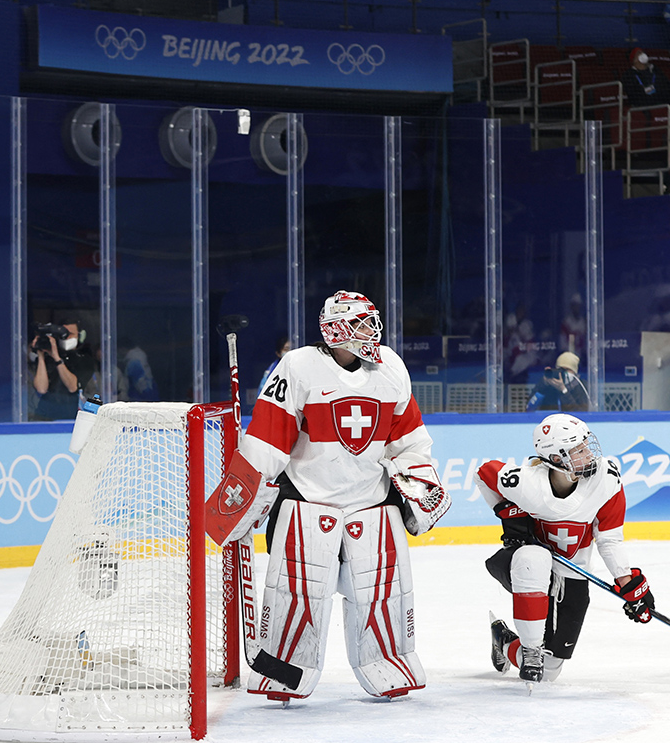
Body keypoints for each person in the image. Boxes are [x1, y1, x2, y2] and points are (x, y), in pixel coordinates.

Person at [204, 290, 450, 702]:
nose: (371, 332)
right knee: (298, 592)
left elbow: (408, 440)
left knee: (383, 591)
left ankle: (387, 661)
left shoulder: (391, 367)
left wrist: (418, 479)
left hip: (371, 499)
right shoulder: (298, 367)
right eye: (359, 325)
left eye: (371, 323)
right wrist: (239, 505)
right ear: (336, 330)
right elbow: (267, 439)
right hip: (307, 500)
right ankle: (285, 666)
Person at [476, 414, 656, 686]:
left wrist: (628, 583)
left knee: (549, 672)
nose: (589, 453)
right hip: (524, 568)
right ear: (557, 459)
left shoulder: (605, 481)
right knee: (533, 557)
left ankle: (504, 641)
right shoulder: (527, 483)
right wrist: (509, 515)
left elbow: (609, 539)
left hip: (572, 572)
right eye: (579, 449)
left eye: (586, 445)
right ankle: (531, 649)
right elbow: (484, 473)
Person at [30, 316, 95, 420]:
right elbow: (41, 388)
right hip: (44, 415)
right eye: (63, 335)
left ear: (80, 336)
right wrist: (41, 355)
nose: (66, 338)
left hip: (71, 416)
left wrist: (57, 358)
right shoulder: (49, 357)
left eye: (70, 334)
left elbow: (73, 386)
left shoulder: (85, 359)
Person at [525, 351, 590, 412]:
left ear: (574, 372)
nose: (563, 372)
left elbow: (579, 412)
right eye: (560, 369)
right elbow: (529, 407)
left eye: (567, 369)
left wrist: (563, 390)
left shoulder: (582, 386)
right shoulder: (548, 385)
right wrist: (544, 385)